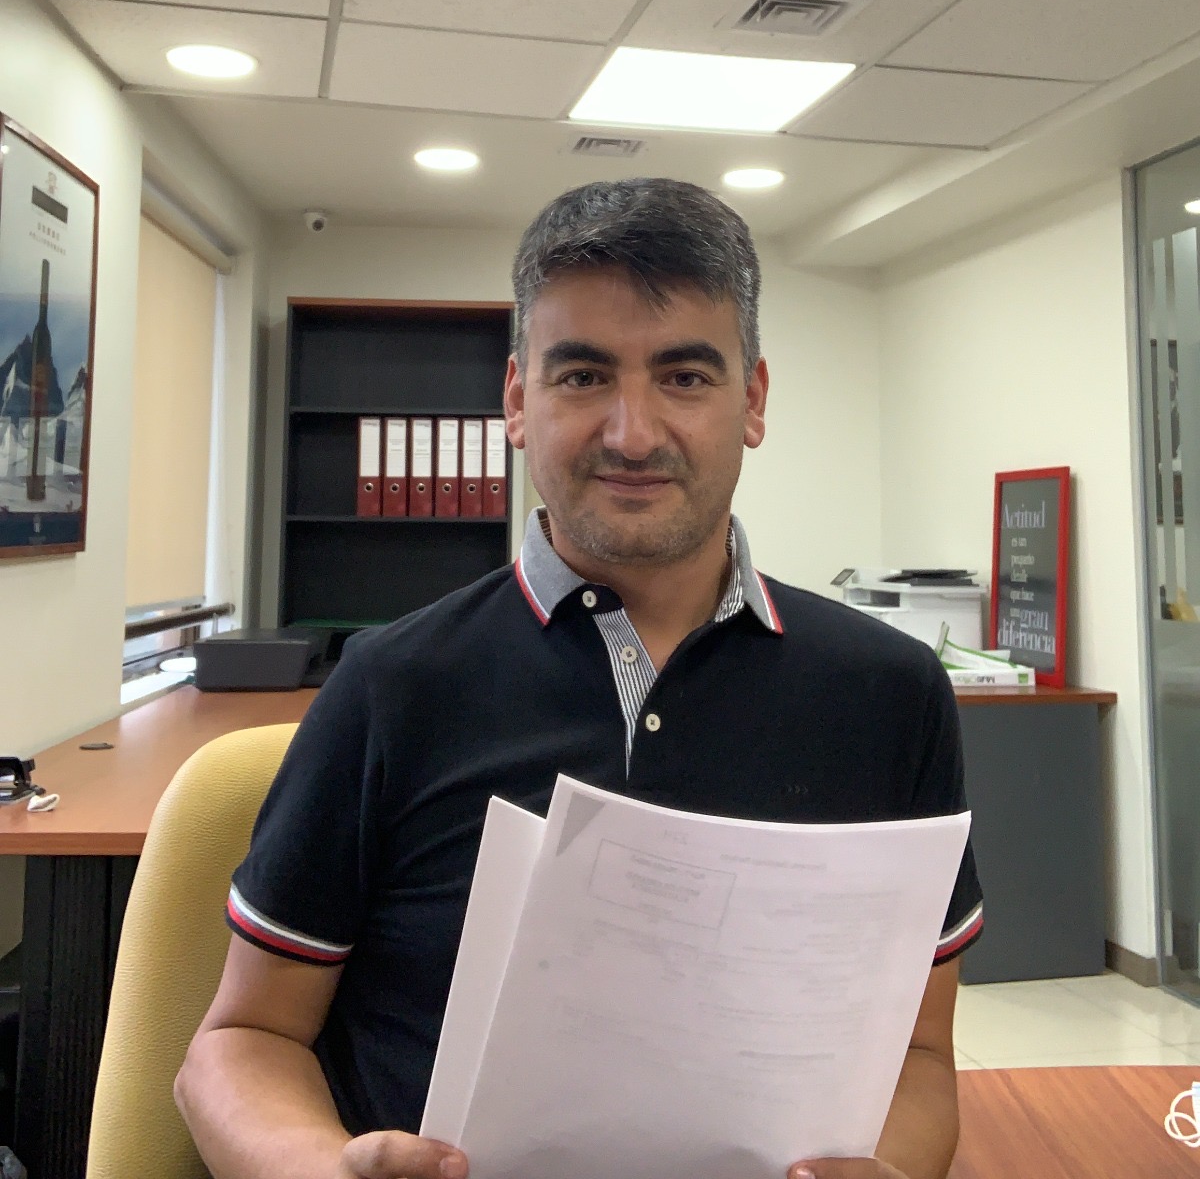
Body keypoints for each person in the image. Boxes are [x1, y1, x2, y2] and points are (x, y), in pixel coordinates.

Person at [176, 178, 983, 1179]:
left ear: (753, 400)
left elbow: (920, 1055)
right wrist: (316, 1167)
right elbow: (240, 1041)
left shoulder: (889, 694)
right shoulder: (392, 686)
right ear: (519, 400)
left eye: (684, 376)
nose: (632, 433)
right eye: (585, 375)